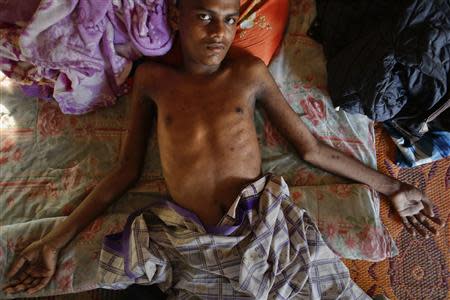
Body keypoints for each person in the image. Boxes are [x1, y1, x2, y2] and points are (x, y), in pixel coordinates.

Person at [2, 0, 442, 297]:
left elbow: (309, 148)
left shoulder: (247, 74)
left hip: (260, 226)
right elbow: (125, 171)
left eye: (231, 19)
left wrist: (392, 187)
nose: (220, 33)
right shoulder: (153, 81)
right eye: (206, 17)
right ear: (176, 17)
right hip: (186, 241)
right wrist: (54, 242)